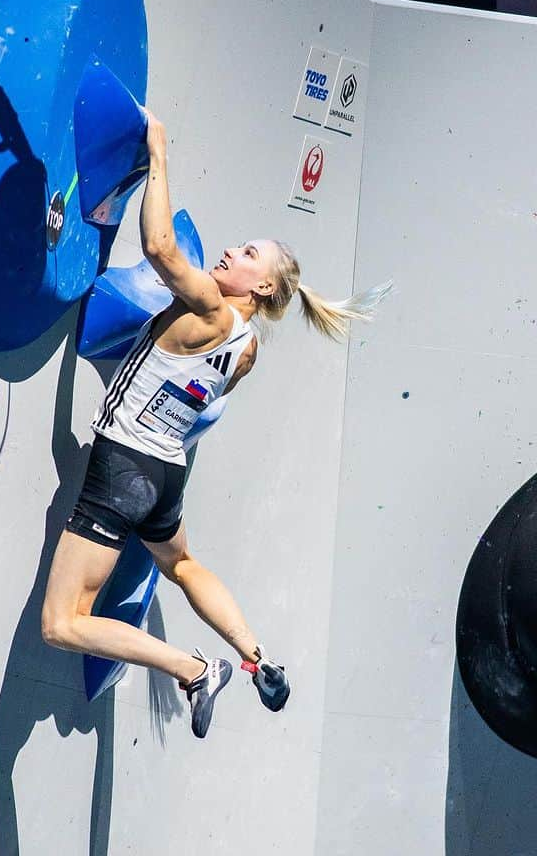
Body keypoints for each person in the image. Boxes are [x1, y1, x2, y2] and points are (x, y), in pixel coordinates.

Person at [41, 111, 391, 738]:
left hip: (122, 468)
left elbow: (159, 249)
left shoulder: (208, 307)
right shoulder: (247, 348)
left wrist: (159, 154)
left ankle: (195, 669)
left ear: (257, 287)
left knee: (63, 623)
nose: (232, 251)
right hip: (164, 474)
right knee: (183, 566)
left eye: (248, 254)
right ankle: (257, 657)